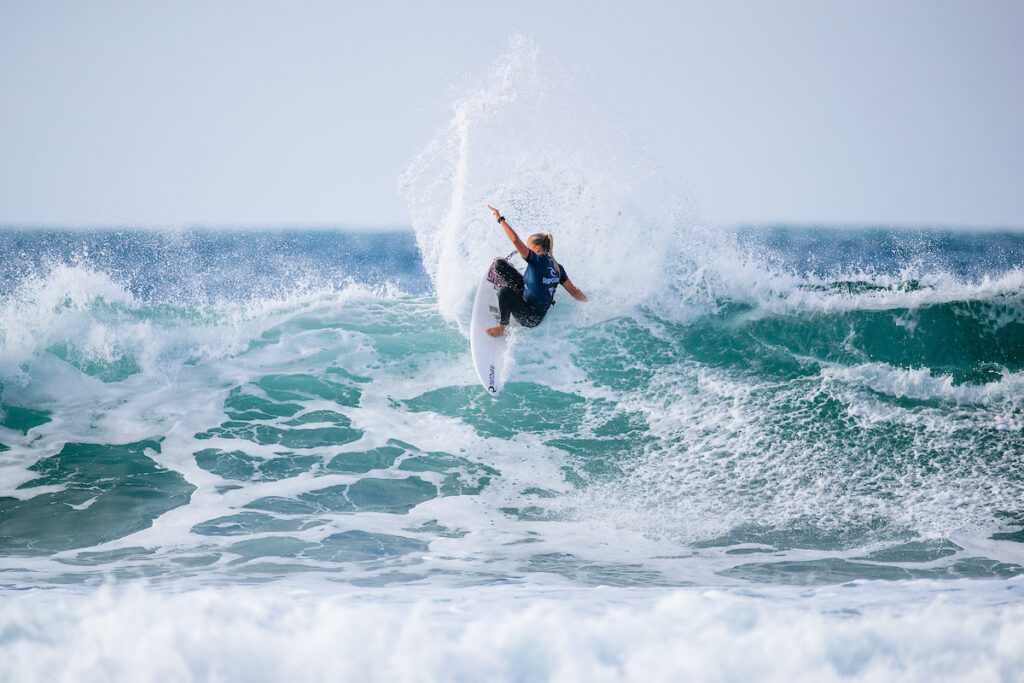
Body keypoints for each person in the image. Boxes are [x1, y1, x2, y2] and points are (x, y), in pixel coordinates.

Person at [485, 205, 587, 337]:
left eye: (528, 247)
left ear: (537, 248)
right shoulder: (557, 267)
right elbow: (575, 292)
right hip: (528, 295)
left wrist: (500, 219)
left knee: (505, 292)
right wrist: (590, 306)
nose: (526, 249)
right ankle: (510, 298)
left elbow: (515, 240)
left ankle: (503, 327)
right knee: (500, 264)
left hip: (531, 318)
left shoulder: (536, 261)